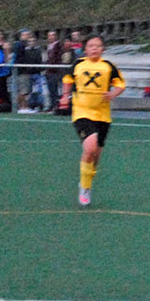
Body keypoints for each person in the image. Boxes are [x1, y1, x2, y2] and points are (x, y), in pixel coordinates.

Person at [60, 34, 126, 207]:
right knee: (89, 148)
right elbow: (67, 80)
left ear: (102, 49)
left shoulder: (108, 66)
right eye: (91, 46)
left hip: (102, 115)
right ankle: (85, 188)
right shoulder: (78, 64)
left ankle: (87, 180)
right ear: (85, 49)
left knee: (95, 156)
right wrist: (65, 96)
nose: (94, 48)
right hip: (82, 112)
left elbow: (120, 84)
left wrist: (112, 94)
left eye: (97, 46)